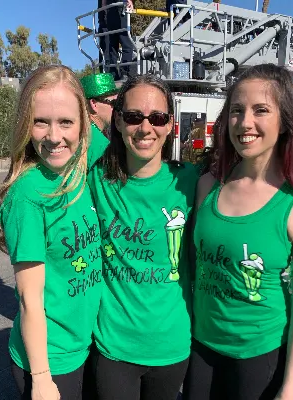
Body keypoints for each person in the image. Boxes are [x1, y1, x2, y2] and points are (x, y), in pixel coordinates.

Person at [183, 63, 293, 400]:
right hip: (201, 350)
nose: (245, 123)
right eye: (236, 110)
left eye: (261, 110)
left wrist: (290, 389)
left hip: (260, 361)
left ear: (285, 120)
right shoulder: (207, 186)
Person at [0, 65, 107, 400]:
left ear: (84, 123)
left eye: (66, 122)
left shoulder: (80, 162)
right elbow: (29, 299)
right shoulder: (28, 195)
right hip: (52, 356)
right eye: (41, 121)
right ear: (27, 124)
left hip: (88, 343)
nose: (54, 136)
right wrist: (41, 379)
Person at [87, 74, 199, 400]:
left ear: (170, 125)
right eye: (134, 116)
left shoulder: (191, 183)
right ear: (119, 122)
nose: (145, 127)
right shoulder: (96, 178)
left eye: (158, 117)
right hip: (114, 346)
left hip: (173, 344)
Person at [80, 72, 119, 139]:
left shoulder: (81, 131)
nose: (117, 108)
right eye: (114, 102)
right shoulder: (98, 143)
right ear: (94, 104)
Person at [104, 0, 136, 81]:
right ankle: (124, 72)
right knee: (127, 45)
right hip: (120, 8)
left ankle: (113, 74)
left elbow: (104, 2)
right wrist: (129, 1)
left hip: (110, 10)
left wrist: (105, 7)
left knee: (112, 45)